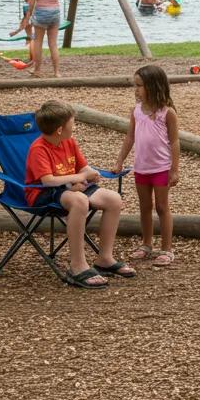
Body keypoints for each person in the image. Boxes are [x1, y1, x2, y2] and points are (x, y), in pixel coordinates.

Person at [25, 100, 135, 288]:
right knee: (80, 200)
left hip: (71, 186)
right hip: (44, 193)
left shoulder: (69, 142)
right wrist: (76, 179)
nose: (74, 126)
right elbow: (48, 181)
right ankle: (77, 266)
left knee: (114, 199)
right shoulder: (39, 148)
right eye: (72, 123)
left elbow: (82, 167)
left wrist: (90, 174)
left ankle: (105, 259)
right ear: (60, 129)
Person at [114, 65, 180, 267]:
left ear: (153, 86)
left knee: (162, 207)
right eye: (135, 85)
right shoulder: (136, 111)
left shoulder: (167, 113)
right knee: (144, 207)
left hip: (161, 167)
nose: (136, 90)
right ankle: (146, 244)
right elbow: (130, 137)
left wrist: (174, 169)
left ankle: (167, 248)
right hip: (141, 167)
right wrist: (120, 160)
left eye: (139, 86)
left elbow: (175, 142)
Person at [25, 0, 67, 78]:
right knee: (53, 44)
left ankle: (37, 70)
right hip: (55, 13)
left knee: (38, 42)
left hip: (41, 13)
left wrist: (28, 15)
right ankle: (56, 72)